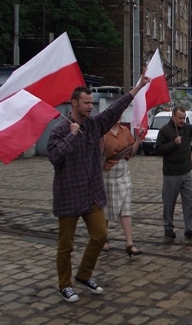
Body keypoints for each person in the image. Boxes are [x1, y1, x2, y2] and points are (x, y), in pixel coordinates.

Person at [47, 78, 148, 303]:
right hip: (69, 195)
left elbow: (114, 109)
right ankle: (65, 285)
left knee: (100, 235)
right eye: (86, 103)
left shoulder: (93, 125)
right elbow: (54, 157)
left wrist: (138, 88)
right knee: (66, 245)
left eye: (91, 103)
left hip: (92, 193)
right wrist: (72, 135)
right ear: (74, 103)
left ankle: (84, 275)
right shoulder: (60, 130)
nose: (90, 106)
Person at [156, 104, 192, 239]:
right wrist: (173, 144)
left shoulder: (188, 129)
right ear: (173, 117)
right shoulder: (165, 130)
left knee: (189, 201)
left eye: (184, 118)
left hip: (187, 171)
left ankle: (190, 227)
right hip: (171, 174)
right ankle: (168, 227)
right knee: (169, 203)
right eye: (180, 118)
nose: (182, 121)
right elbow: (158, 149)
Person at [102, 119, 143, 257]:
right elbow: (99, 154)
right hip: (108, 173)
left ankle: (129, 244)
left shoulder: (124, 131)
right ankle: (104, 238)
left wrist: (138, 139)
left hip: (123, 173)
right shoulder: (102, 132)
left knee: (126, 209)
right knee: (105, 208)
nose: (118, 116)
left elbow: (131, 153)